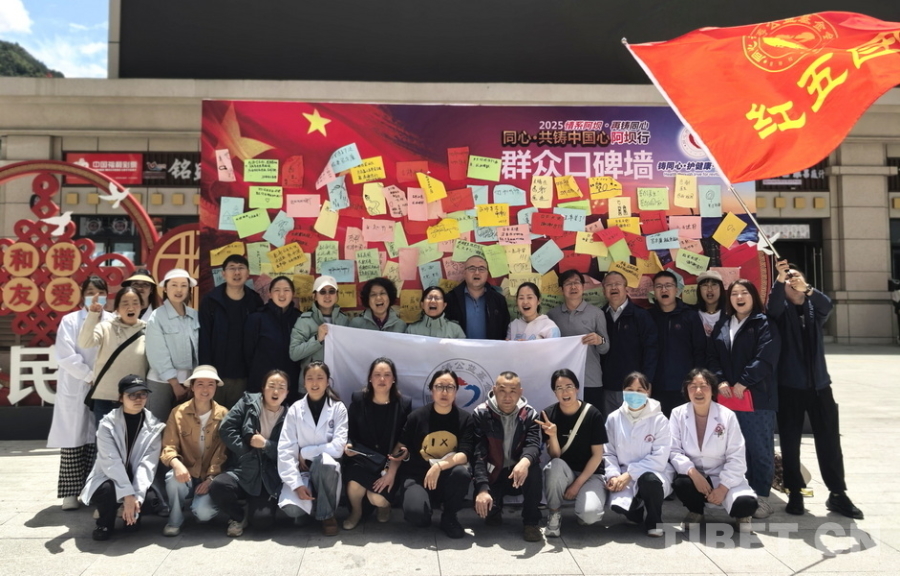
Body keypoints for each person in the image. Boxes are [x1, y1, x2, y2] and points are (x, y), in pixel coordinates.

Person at [768, 260, 863, 519]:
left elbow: (827, 305)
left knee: (829, 442)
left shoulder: (813, 308)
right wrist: (779, 279)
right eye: (788, 279)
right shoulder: (780, 311)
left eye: (795, 277)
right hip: (789, 387)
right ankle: (795, 492)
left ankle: (838, 494)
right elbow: (772, 308)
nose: (792, 281)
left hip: (820, 386)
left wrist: (808, 289)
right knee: (790, 443)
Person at [708, 279, 780, 519]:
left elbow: (766, 357)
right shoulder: (723, 324)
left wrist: (744, 381)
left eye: (744, 293)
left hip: (757, 398)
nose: (739, 297)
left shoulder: (764, 323)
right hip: (727, 398)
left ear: (753, 296)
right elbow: (712, 356)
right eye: (734, 293)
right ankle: (738, 492)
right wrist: (720, 381)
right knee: (732, 448)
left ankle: (762, 497)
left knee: (759, 448)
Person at [49, 276, 112, 511]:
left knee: (100, 438)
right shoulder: (70, 320)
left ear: (107, 295)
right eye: (90, 292)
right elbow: (65, 355)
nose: (96, 297)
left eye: (100, 292)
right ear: (82, 295)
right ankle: (71, 492)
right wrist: (89, 376)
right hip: (78, 384)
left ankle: (95, 491)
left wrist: (102, 379)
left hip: (105, 386)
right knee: (74, 438)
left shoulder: (113, 320)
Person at [669, 368, 758, 533]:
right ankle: (696, 511)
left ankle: (741, 516)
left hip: (724, 475)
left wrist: (723, 488)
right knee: (681, 484)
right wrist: (693, 474)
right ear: (686, 390)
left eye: (704, 386)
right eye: (693, 386)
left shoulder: (727, 415)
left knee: (747, 504)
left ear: (712, 390)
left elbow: (736, 456)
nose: (698, 391)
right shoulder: (678, 413)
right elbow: (674, 451)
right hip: (695, 475)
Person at [80, 375, 166, 541]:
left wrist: (136, 496)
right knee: (106, 490)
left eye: (142, 394)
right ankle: (104, 523)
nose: (138, 399)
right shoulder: (107, 425)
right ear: (121, 398)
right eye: (132, 395)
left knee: (149, 501)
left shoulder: (154, 427)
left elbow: (147, 465)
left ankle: (130, 513)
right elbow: (111, 463)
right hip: (110, 477)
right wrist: (127, 495)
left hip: (136, 478)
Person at [210, 370, 289, 537]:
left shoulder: (290, 415)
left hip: (267, 477)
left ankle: (253, 509)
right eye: (271, 386)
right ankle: (238, 516)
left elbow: (288, 450)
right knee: (218, 486)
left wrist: (266, 445)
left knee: (263, 522)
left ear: (287, 392)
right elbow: (226, 428)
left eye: (281, 387)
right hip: (243, 469)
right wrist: (246, 450)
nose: (276, 391)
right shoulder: (247, 402)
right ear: (263, 388)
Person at [397, 370, 473, 539]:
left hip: (447, 475)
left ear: (456, 391)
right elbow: (401, 446)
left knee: (462, 472)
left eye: (450, 387)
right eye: (439, 387)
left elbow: (464, 454)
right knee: (417, 516)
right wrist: (395, 461)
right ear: (431, 389)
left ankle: (449, 517)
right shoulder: (416, 417)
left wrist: (439, 466)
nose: (444, 392)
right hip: (418, 475)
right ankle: (425, 506)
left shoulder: (465, 419)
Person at [277, 361, 348, 536]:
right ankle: (309, 508)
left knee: (324, 462)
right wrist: (296, 484)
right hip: (302, 470)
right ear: (304, 382)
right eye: (310, 378)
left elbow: (338, 448)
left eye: (320, 378)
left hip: (326, 471)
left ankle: (327, 515)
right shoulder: (295, 410)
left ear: (328, 381)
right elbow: (285, 448)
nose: (315, 383)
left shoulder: (338, 408)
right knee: (292, 510)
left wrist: (305, 452)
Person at [472, 371, 543, 542]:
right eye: (502, 390)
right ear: (494, 390)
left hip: (518, 474)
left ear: (520, 392)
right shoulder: (481, 413)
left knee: (533, 468)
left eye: (513, 391)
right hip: (493, 473)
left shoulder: (529, 414)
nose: (507, 397)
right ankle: (495, 508)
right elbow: (478, 454)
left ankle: (531, 522)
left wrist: (524, 462)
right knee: (486, 513)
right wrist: (482, 488)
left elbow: (533, 444)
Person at [342, 357, 412, 530]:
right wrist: (348, 446)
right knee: (355, 484)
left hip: (387, 464)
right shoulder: (358, 399)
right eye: (377, 374)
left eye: (387, 375)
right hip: (362, 460)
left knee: (376, 497)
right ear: (370, 378)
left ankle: (384, 506)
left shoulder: (403, 404)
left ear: (393, 379)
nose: (382, 379)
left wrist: (391, 472)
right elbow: (349, 432)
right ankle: (356, 512)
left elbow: (403, 443)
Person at [536, 369, 607, 538]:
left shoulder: (593, 414)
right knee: (554, 466)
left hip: (590, 474)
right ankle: (554, 513)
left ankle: (583, 510)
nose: (565, 392)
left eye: (569, 386)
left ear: (577, 388)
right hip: (565, 471)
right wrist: (553, 435)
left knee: (590, 516)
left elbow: (597, 455)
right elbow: (555, 456)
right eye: (559, 388)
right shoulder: (548, 415)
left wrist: (577, 485)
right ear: (554, 392)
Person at [159, 365, 228, 536]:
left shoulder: (223, 414)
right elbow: (168, 446)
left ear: (216, 387)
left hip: (209, 476)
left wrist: (211, 479)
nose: (205, 389)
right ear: (192, 387)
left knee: (204, 514)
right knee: (173, 479)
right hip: (187, 473)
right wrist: (177, 464)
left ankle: (204, 504)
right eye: (200, 384)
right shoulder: (178, 413)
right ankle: (175, 520)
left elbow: (223, 452)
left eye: (210, 384)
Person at [604, 372, 673, 538]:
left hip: (653, 471)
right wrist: (613, 475)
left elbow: (660, 457)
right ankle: (636, 511)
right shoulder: (614, 418)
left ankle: (654, 520)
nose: (634, 394)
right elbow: (608, 452)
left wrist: (630, 474)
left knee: (649, 481)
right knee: (619, 506)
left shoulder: (659, 420)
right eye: (630, 390)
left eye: (640, 390)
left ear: (648, 392)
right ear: (623, 391)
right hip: (622, 472)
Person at [198, 254, 263, 408]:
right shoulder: (210, 301)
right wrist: (206, 374)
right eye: (232, 268)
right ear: (223, 274)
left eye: (241, 268)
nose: (236, 272)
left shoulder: (255, 301)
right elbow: (204, 338)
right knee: (212, 416)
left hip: (243, 376)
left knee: (237, 417)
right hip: (215, 374)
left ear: (248, 273)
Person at [78, 286, 148, 425]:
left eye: (135, 303)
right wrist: (93, 314)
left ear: (141, 306)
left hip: (135, 398)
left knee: (132, 437)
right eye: (125, 303)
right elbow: (85, 343)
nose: (130, 307)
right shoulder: (105, 327)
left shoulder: (149, 329)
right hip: (106, 398)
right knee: (106, 438)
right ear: (117, 308)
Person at [547, 270, 610, 413]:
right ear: (561, 289)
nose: (573, 287)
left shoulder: (597, 313)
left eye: (577, 283)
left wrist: (599, 340)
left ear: (583, 286)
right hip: (563, 382)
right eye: (568, 284)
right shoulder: (552, 315)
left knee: (591, 420)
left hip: (590, 379)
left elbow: (605, 348)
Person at [648, 270, 707, 417]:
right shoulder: (648, 317)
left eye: (668, 285)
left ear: (677, 289)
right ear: (654, 290)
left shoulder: (690, 315)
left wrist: (697, 380)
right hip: (655, 387)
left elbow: (700, 350)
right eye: (659, 286)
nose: (664, 290)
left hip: (685, 386)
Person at [601, 271, 658, 417]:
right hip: (607, 388)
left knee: (636, 427)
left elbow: (651, 351)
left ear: (626, 288)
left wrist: (647, 381)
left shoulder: (641, 315)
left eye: (618, 284)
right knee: (610, 428)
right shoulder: (599, 316)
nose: (614, 287)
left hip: (634, 388)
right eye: (609, 285)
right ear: (603, 290)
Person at [145, 268, 198, 422]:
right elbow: (157, 353)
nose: (179, 290)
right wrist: (174, 384)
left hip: (189, 382)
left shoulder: (195, 316)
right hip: (161, 382)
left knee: (184, 427)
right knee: (158, 426)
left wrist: (194, 381)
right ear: (165, 289)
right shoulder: (157, 316)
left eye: (183, 285)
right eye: (174, 285)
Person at [289, 275, 350, 394]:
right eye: (322, 292)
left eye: (331, 291)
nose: (327, 296)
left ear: (337, 295)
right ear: (314, 296)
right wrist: (317, 339)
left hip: (337, 385)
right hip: (311, 387)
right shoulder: (304, 321)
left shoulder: (344, 320)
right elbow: (294, 353)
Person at [244, 275, 301, 397]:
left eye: (286, 290)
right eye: (277, 290)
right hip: (262, 385)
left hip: (291, 386)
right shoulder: (257, 318)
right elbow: (248, 354)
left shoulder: (300, 319)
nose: (282, 294)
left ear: (293, 294)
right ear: (269, 294)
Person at [444, 255, 510, 340]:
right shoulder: (450, 299)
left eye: (481, 269)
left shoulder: (498, 300)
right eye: (472, 268)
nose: (477, 272)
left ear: (487, 274)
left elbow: (505, 331)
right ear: (464, 273)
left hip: (491, 348)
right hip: (459, 348)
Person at [695, 270, 727, 337]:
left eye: (714, 285)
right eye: (705, 285)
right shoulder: (691, 314)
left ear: (721, 288)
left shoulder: (729, 314)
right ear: (699, 290)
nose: (709, 289)